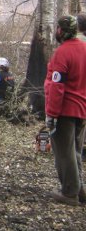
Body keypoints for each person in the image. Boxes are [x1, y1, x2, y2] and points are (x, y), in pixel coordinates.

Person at [44, 15, 86, 206]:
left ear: (60, 30)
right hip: (82, 108)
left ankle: (69, 192)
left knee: (64, 152)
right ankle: (80, 189)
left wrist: (51, 114)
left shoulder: (63, 52)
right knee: (75, 150)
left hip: (65, 109)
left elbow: (57, 85)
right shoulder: (84, 48)